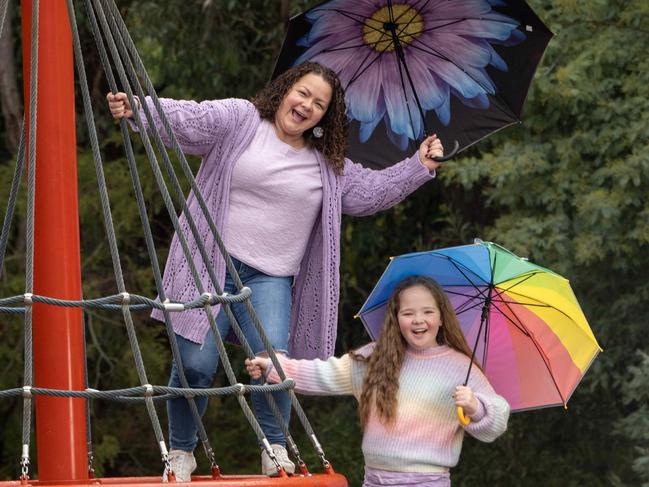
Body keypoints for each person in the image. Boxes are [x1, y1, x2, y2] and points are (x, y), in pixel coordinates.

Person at [107, 62, 444, 481]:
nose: (307, 106)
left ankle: (274, 447)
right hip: (209, 263)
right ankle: (181, 451)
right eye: (303, 93)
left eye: (319, 104)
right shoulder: (241, 120)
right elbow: (190, 117)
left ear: (325, 117)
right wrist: (138, 108)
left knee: (275, 365)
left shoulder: (328, 164)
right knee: (195, 364)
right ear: (285, 90)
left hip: (270, 278)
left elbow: (371, 193)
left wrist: (419, 165)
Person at [246, 276, 510, 487]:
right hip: (375, 480)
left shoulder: (460, 367)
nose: (418, 320)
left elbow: (497, 421)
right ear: (395, 318)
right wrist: (273, 367)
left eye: (428, 311)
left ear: (441, 317)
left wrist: (476, 406)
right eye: (408, 313)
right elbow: (322, 374)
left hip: (431, 481)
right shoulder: (374, 358)